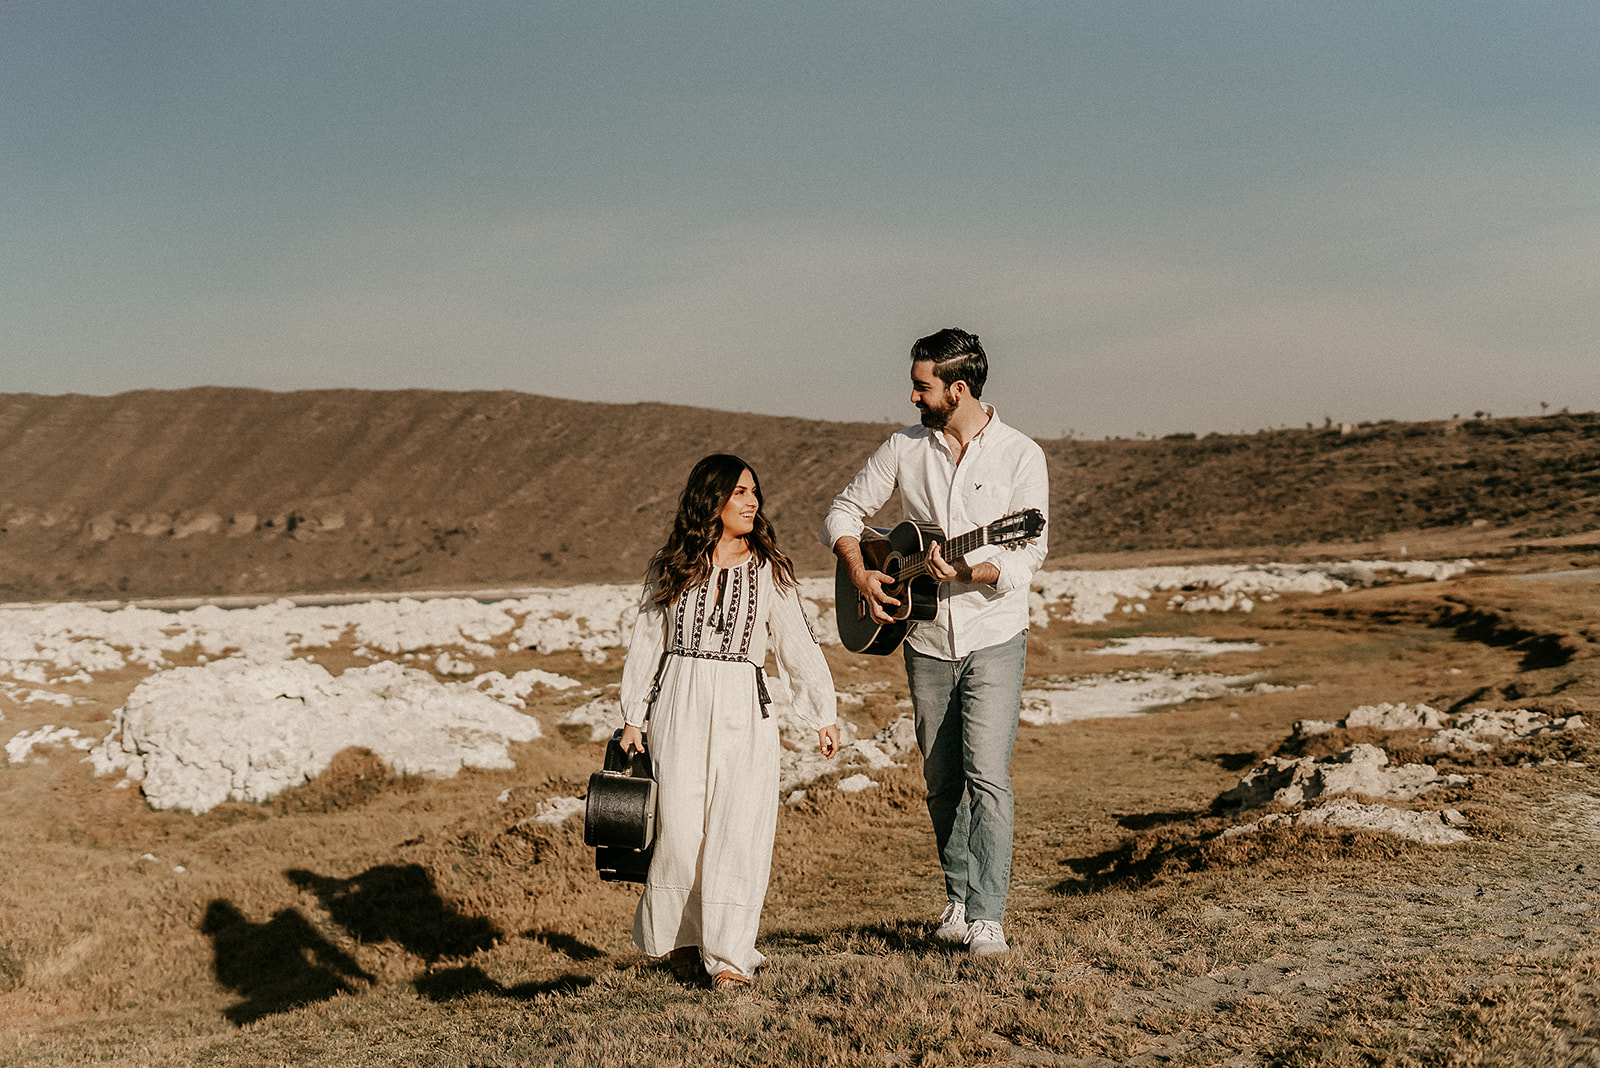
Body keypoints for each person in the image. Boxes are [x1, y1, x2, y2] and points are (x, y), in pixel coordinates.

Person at [820, 328, 1048, 956]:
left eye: (922, 386)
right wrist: (862, 570)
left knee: (988, 775)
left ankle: (988, 916)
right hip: (923, 637)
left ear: (957, 388)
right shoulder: (903, 448)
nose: (912, 395)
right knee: (942, 778)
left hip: (994, 633)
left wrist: (976, 570)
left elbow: (1029, 553)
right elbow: (842, 512)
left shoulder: (1021, 455)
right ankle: (957, 896)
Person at [618, 453, 840, 991]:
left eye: (754, 492)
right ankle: (684, 942)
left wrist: (822, 712)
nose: (752, 501)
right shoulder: (672, 565)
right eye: (739, 492)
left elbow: (795, 642)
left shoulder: (769, 568)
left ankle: (730, 958)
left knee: (739, 828)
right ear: (710, 500)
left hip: (745, 701)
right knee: (680, 828)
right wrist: (633, 717)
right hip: (680, 701)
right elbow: (648, 641)